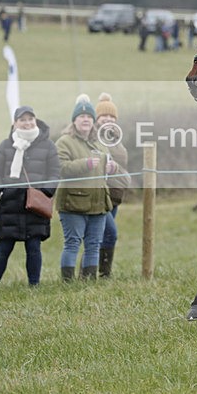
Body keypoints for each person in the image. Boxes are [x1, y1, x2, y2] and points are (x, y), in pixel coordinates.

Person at [0, 106, 60, 287]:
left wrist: (45, 192)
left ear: (35, 120)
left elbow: (55, 173)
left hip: (35, 205)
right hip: (9, 204)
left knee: (34, 247)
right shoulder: (5, 145)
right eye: (23, 120)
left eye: (30, 119)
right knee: (4, 247)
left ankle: (34, 286)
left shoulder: (48, 145)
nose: (27, 123)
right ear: (15, 123)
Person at [55, 95, 115, 281]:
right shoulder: (64, 142)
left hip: (98, 203)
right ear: (74, 120)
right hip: (73, 202)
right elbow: (61, 169)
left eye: (89, 117)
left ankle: (89, 281)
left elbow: (107, 163)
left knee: (94, 244)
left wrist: (113, 168)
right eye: (81, 117)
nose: (86, 120)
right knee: (72, 243)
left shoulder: (99, 142)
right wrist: (85, 164)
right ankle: (68, 282)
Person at [94, 93, 129, 278]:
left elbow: (122, 165)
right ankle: (102, 274)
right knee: (109, 234)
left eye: (111, 116)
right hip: (100, 194)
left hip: (115, 195)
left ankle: (98, 273)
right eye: (104, 116)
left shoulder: (117, 137)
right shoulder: (93, 137)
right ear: (97, 118)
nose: (108, 119)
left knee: (99, 235)